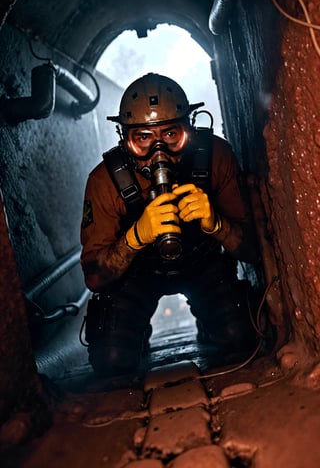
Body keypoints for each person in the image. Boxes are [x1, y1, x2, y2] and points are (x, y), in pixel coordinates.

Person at [80, 72, 259, 377]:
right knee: (112, 359)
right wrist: (135, 237)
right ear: (125, 139)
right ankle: (137, 334)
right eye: (143, 139)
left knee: (240, 336)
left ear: (189, 129)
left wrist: (217, 224)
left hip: (202, 265)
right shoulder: (105, 181)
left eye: (171, 135)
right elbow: (94, 279)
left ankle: (210, 322)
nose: (158, 153)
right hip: (138, 274)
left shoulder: (214, 157)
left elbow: (255, 250)